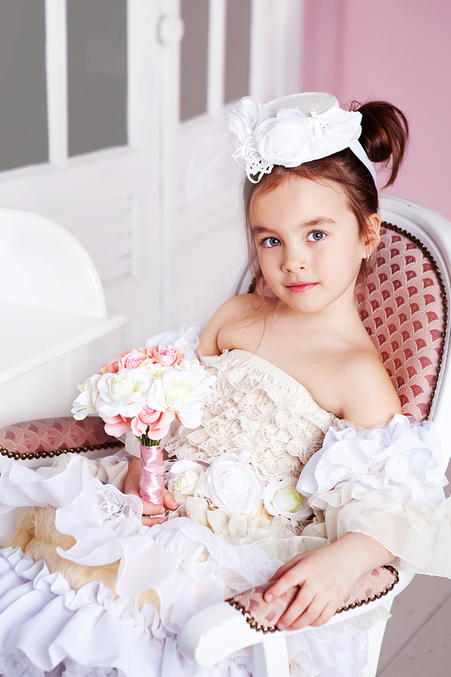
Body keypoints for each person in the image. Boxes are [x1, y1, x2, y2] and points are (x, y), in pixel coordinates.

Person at [0, 92, 449, 677]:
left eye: (316, 234)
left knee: (149, 636)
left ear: (368, 235)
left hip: (231, 556)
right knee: (59, 598)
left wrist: (346, 560)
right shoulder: (236, 315)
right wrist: (140, 463)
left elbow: (391, 505)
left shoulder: (357, 376)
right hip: (147, 517)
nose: (292, 261)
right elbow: (165, 409)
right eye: (271, 240)